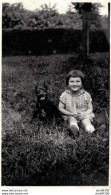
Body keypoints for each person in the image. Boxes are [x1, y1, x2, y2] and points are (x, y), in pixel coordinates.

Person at [59, 70, 95, 137]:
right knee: (72, 120)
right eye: (72, 81)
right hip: (70, 114)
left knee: (86, 120)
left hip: (83, 114)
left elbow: (90, 108)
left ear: (82, 83)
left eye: (78, 81)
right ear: (68, 83)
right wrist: (69, 113)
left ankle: (91, 130)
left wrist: (84, 113)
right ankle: (74, 131)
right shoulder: (65, 95)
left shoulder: (86, 95)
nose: (75, 84)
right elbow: (60, 108)